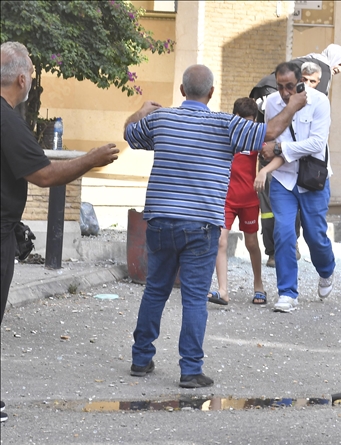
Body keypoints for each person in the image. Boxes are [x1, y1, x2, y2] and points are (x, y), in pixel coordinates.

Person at [123, 64, 299, 388]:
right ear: (212, 93)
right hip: (201, 225)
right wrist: (294, 105)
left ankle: (140, 358)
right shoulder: (225, 125)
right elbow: (271, 132)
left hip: (160, 221)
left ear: (182, 91)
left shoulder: (161, 120)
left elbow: (129, 134)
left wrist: (142, 110)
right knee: (194, 298)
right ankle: (190, 370)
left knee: (156, 290)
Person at [1, 41, 119, 423]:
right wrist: (91, 159)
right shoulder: (7, 121)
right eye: (32, 73)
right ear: (22, 79)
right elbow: (46, 175)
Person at [259, 61, 334, 313]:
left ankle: (326, 269)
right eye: (280, 86)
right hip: (284, 177)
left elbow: (316, 144)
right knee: (283, 233)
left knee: (315, 236)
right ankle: (287, 293)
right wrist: (273, 153)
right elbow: (270, 135)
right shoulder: (272, 103)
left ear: (300, 82)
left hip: (313, 178)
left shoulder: (319, 101)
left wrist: (280, 148)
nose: (284, 92)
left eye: (289, 86)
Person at [206, 97, 267, 306]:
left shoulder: (256, 137)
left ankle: (258, 284)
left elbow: (276, 154)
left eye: (250, 122)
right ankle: (223, 291)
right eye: (242, 121)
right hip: (226, 199)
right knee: (220, 241)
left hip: (249, 199)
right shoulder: (223, 136)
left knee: (251, 243)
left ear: (255, 121)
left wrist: (264, 172)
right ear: (235, 117)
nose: (245, 126)